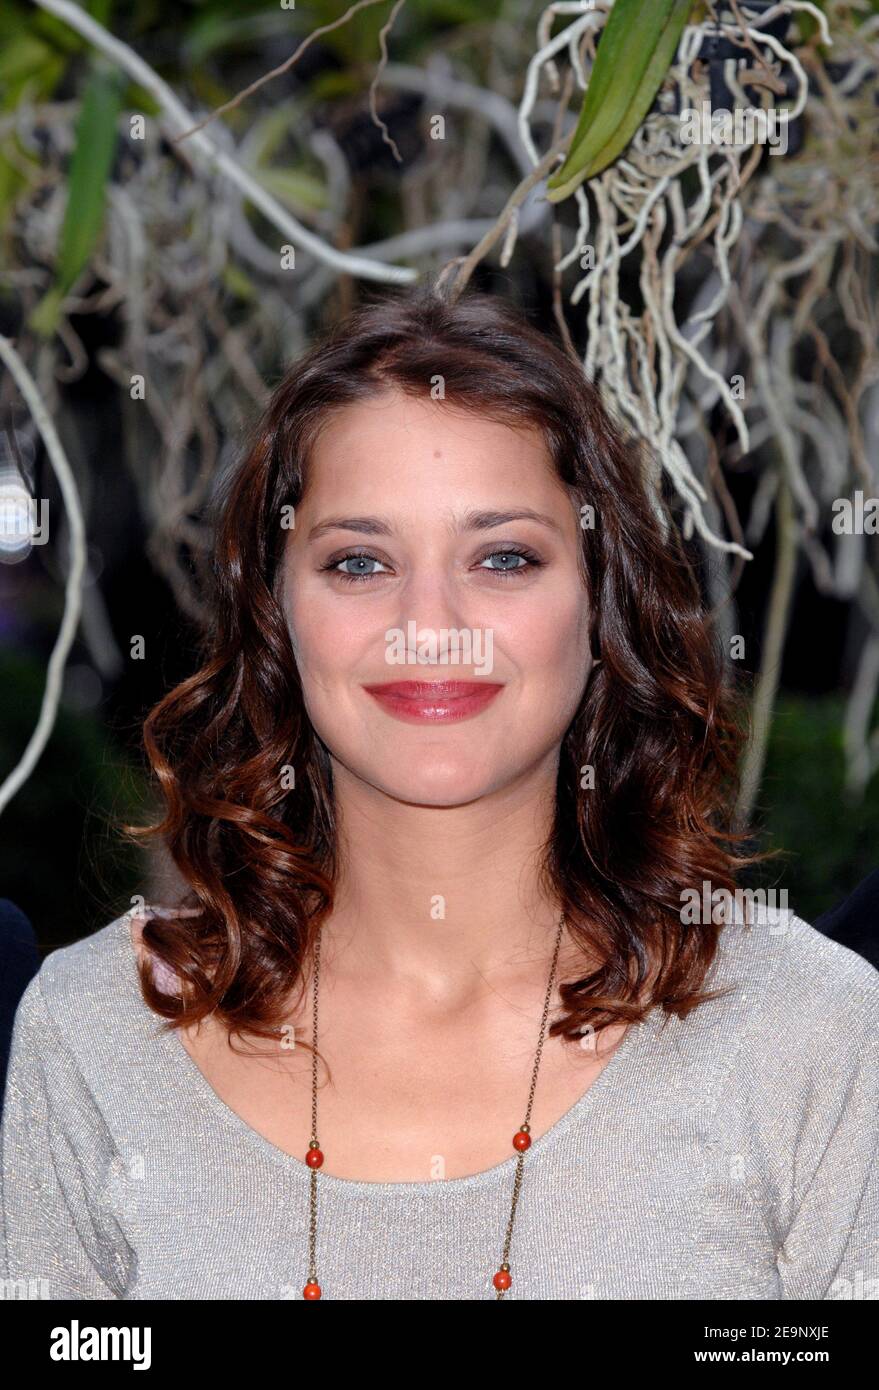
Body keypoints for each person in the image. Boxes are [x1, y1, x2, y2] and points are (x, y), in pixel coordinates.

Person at [2, 288, 877, 1301]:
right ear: (275, 613)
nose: (432, 621)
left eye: (503, 556)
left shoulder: (806, 1030)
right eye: (360, 560)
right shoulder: (97, 1032)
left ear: (600, 603)